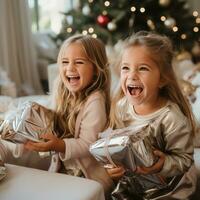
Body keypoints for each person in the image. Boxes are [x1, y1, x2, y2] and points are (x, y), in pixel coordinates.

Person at [0, 34, 113, 193]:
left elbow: (88, 144)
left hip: (87, 176)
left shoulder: (95, 101)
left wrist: (57, 145)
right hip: (62, 168)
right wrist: (29, 137)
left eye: (79, 62)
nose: (70, 68)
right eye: (65, 62)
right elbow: (53, 121)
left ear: (95, 69)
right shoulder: (61, 89)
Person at [106, 31, 197, 199]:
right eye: (126, 68)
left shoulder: (171, 118)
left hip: (170, 185)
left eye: (142, 68)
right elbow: (117, 144)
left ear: (162, 80)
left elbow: (184, 159)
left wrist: (163, 165)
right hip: (134, 181)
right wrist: (114, 166)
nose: (132, 75)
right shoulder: (120, 107)